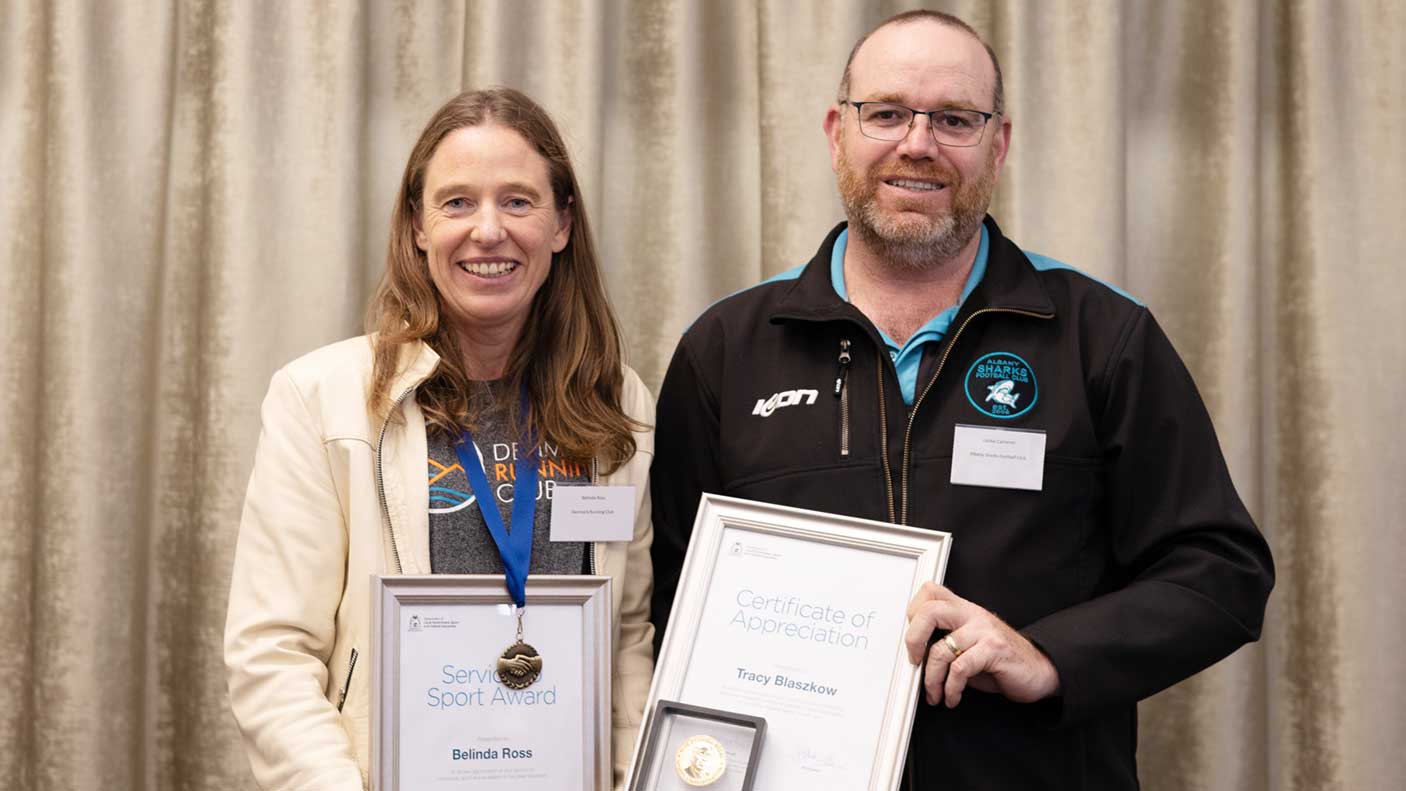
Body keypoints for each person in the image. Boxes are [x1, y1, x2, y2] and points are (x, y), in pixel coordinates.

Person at [649, 11, 1273, 790]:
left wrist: (1050, 656)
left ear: (999, 144)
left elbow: (1222, 571)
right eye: (886, 113)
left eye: (954, 119)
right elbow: (676, 605)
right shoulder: (727, 349)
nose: (918, 143)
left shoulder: (1100, 335)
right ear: (836, 131)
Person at [225, 88, 655, 790]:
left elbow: (626, 632)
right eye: (457, 202)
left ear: (562, 224)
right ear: (417, 228)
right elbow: (272, 652)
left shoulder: (614, 398)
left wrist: (632, 775)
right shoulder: (321, 398)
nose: (488, 230)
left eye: (518, 201)